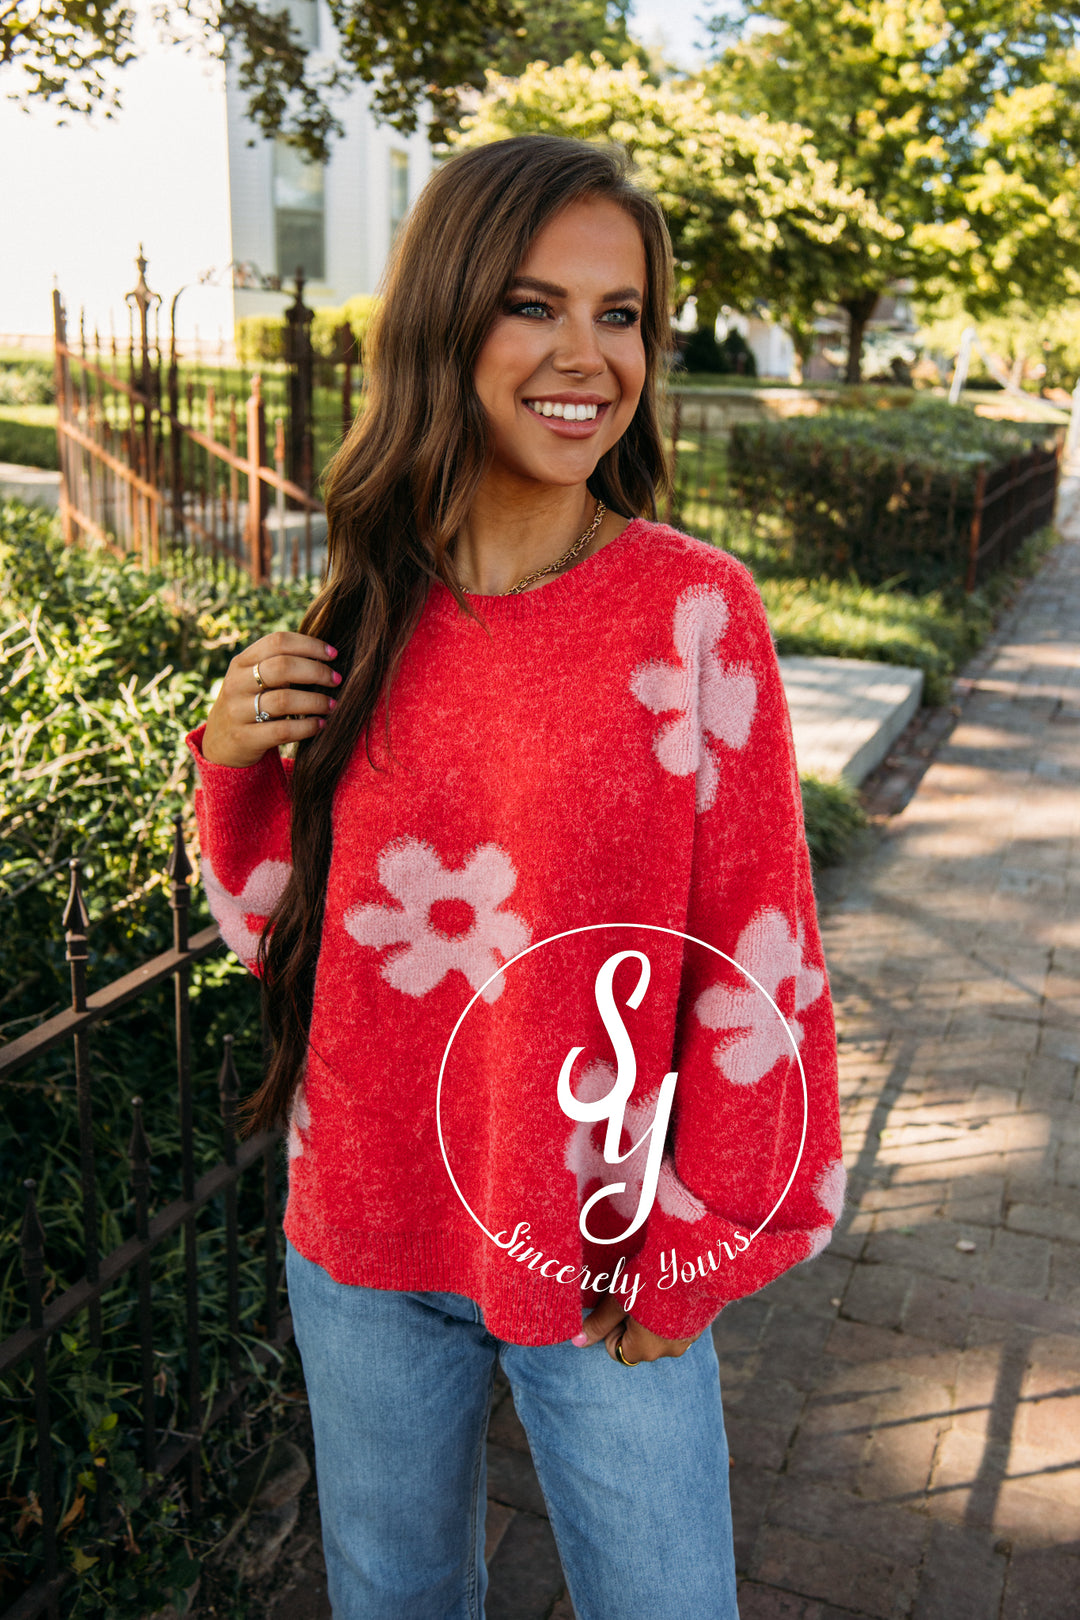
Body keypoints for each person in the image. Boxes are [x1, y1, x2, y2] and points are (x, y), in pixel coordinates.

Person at [186, 135, 844, 1620]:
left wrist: (702, 1242)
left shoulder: (692, 613)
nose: (586, 356)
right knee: (395, 1599)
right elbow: (284, 933)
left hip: (603, 1243)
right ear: (449, 321)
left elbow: (760, 955)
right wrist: (232, 762)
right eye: (535, 305)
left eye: (622, 317)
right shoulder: (369, 595)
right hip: (363, 1224)